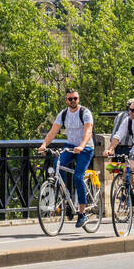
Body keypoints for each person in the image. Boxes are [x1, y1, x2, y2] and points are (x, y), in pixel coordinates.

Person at [37, 89, 95, 228]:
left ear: (78, 99)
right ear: (66, 101)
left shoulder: (85, 112)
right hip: (70, 146)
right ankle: (66, 195)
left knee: (78, 177)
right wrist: (44, 145)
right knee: (58, 163)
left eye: (75, 98)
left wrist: (81, 146)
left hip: (85, 148)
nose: (73, 101)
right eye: (70, 99)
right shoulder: (63, 114)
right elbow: (53, 131)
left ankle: (82, 213)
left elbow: (88, 131)